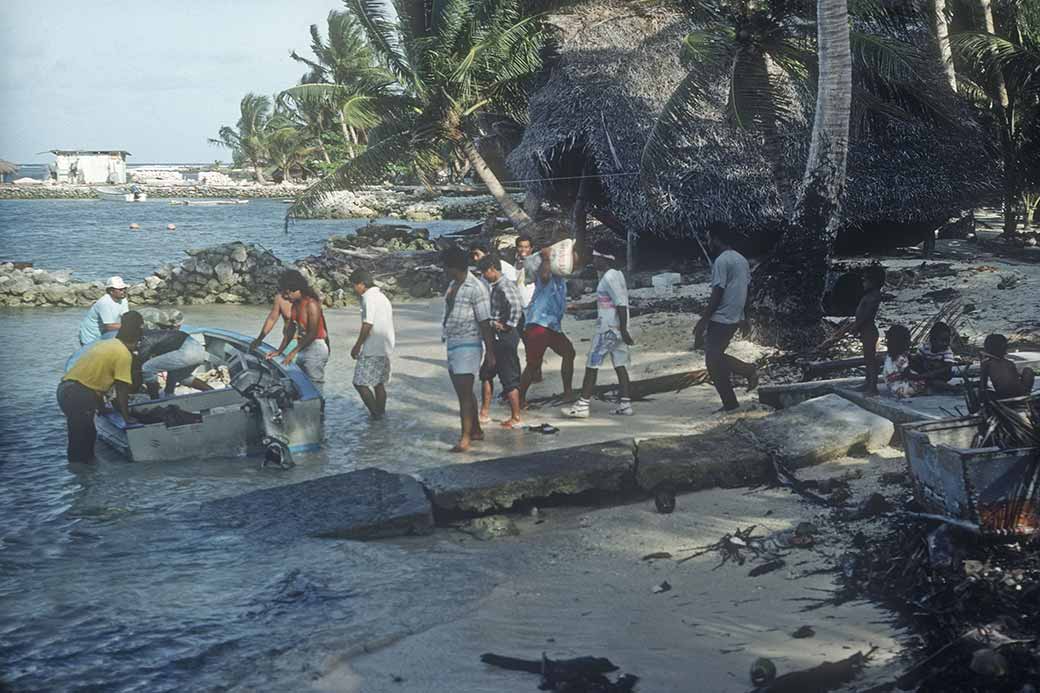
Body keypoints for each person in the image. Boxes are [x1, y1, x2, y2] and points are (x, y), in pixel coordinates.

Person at [58, 311, 144, 463]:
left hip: (65, 390)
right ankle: (86, 477)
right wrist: (126, 417)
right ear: (135, 339)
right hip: (80, 395)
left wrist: (102, 409)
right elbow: (121, 389)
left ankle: (83, 478)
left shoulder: (106, 344)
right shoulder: (124, 355)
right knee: (83, 443)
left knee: (82, 436)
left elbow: (92, 382)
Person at [562, 241, 635, 418]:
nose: (593, 261)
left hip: (608, 329)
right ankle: (625, 404)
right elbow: (606, 302)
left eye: (595, 258)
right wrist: (580, 307)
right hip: (616, 328)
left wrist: (624, 330)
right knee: (620, 365)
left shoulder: (609, 277)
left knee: (592, 364)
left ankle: (582, 404)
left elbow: (621, 304)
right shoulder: (616, 274)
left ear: (604, 259)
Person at [693, 226, 758, 412]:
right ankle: (730, 402)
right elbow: (748, 289)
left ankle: (748, 370)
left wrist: (703, 320)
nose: (708, 243)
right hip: (734, 315)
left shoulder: (721, 261)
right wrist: (745, 316)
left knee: (713, 359)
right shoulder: (741, 259)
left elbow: (717, 292)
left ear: (717, 238)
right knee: (714, 359)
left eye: (709, 239)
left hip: (722, 316)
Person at [441, 247, 496, 452]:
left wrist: (490, 353)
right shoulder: (453, 284)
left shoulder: (476, 287)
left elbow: (485, 322)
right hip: (452, 341)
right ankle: (476, 430)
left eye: (446, 267)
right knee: (463, 391)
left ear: (454, 267)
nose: (444, 270)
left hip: (469, 343)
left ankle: (464, 437)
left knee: (464, 394)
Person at [517, 244, 576, 409]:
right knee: (533, 364)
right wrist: (546, 257)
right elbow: (543, 276)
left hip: (551, 326)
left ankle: (568, 392)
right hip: (539, 324)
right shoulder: (545, 275)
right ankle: (519, 398)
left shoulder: (560, 280)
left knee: (569, 352)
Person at [820, 265, 884, 396]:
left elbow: (866, 315)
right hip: (865, 330)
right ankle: (867, 382)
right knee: (867, 359)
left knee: (870, 359)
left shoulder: (873, 296)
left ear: (874, 282)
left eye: (866, 280)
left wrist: (856, 327)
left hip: (869, 331)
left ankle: (873, 386)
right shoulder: (868, 295)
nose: (863, 283)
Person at [478, 254, 525, 428]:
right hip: (497, 336)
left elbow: (516, 306)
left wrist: (507, 325)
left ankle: (516, 417)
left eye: (484, 272)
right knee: (487, 373)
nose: (483, 275)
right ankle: (484, 412)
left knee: (509, 377)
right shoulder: (495, 285)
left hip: (505, 336)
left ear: (492, 269)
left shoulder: (505, 285)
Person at [266, 270, 331, 393]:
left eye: (287, 293)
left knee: (315, 387)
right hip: (303, 347)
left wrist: (293, 352)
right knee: (298, 385)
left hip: (315, 347)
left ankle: (320, 412)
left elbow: (312, 333)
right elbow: (290, 330)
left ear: (295, 290)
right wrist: (279, 351)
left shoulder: (311, 303)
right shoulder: (296, 304)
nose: (285, 297)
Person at [349, 269, 395, 418]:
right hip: (385, 346)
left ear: (362, 284)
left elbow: (367, 324)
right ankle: (381, 414)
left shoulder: (368, 298)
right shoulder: (382, 297)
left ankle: (375, 414)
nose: (354, 289)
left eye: (354, 285)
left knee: (359, 383)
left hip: (373, 347)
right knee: (378, 383)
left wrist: (357, 346)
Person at [135, 317, 213, 400]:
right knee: (182, 377)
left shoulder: (145, 339)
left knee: (147, 368)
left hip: (187, 351)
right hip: (198, 349)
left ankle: (155, 401)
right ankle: (212, 392)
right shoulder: (155, 334)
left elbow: (142, 364)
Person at [980, 333, 1036, 399]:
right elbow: (1013, 379)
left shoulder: (987, 363)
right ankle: (1026, 393)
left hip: (1004, 394)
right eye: (1005, 345)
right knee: (1028, 370)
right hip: (1018, 392)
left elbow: (983, 384)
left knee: (1027, 371)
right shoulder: (1009, 363)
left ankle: (1024, 394)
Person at [78, 276, 129, 346]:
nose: (123, 291)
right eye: (120, 289)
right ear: (111, 291)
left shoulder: (123, 300)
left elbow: (126, 317)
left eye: (124, 288)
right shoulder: (105, 303)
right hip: (90, 337)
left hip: (104, 334)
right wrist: (131, 325)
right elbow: (109, 326)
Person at [911, 322, 957, 390]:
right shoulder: (925, 347)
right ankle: (924, 379)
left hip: (940, 374)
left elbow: (948, 367)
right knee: (914, 361)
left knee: (935, 380)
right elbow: (917, 359)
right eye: (943, 340)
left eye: (948, 340)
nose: (946, 343)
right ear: (932, 340)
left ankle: (951, 388)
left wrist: (933, 373)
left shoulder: (947, 351)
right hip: (925, 371)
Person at [883, 324, 924, 399]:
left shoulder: (890, 355)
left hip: (893, 388)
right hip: (903, 389)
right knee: (923, 382)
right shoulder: (901, 358)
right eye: (908, 340)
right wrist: (926, 376)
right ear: (902, 343)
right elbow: (908, 375)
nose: (910, 342)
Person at [514, 233, 536, 308]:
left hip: (532, 305)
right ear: (516, 248)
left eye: (526, 247)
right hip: (519, 305)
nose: (523, 250)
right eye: (520, 247)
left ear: (531, 248)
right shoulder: (515, 263)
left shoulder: (535, 263)